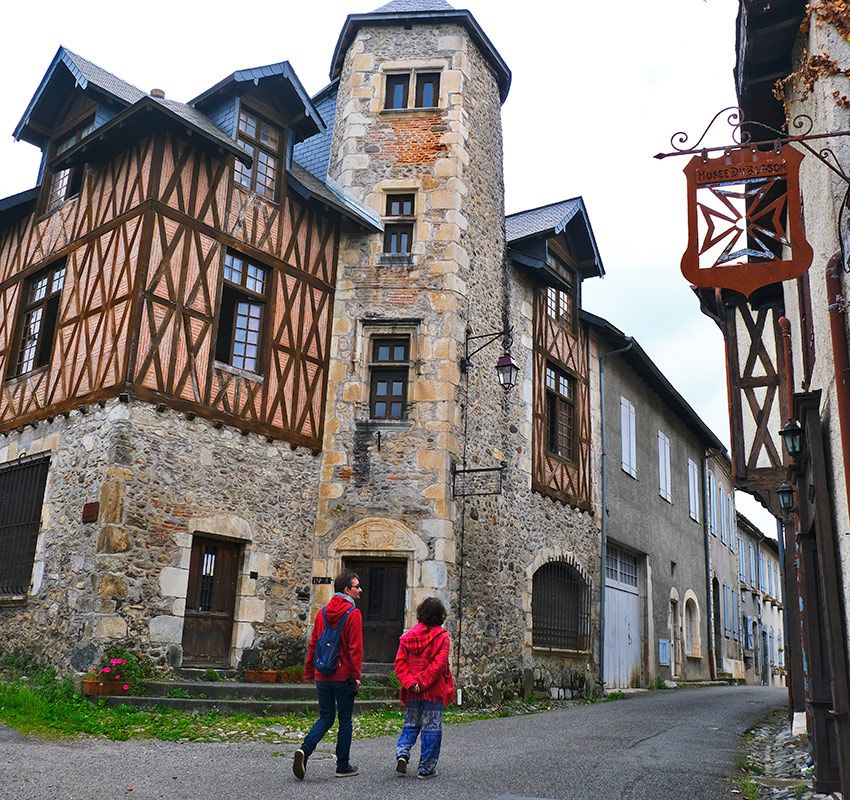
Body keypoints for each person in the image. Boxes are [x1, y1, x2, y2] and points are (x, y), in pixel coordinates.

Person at [293, 570, 363, 780]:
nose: (360, 590)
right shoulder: (353, 614)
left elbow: (313, 644)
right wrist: (356, 676)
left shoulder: (322, 613)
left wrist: (309, 671)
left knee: (325, 717)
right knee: (345, 721)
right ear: (346, 590)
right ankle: (342, 765)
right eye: (356, 586)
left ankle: (304, 750)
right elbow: (354, 649)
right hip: (342, 676)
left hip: (322, 674)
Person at [393, 596, 455, 779]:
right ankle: (426, 768)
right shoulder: (442, 637)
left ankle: (402, 752)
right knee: (432, 728)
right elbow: (439, 665)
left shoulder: (408, 637)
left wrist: (412, 683)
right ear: (439, 615)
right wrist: (422, 682)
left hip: (412, 691)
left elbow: (400, 663)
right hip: (433, 691)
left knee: (411, 724)